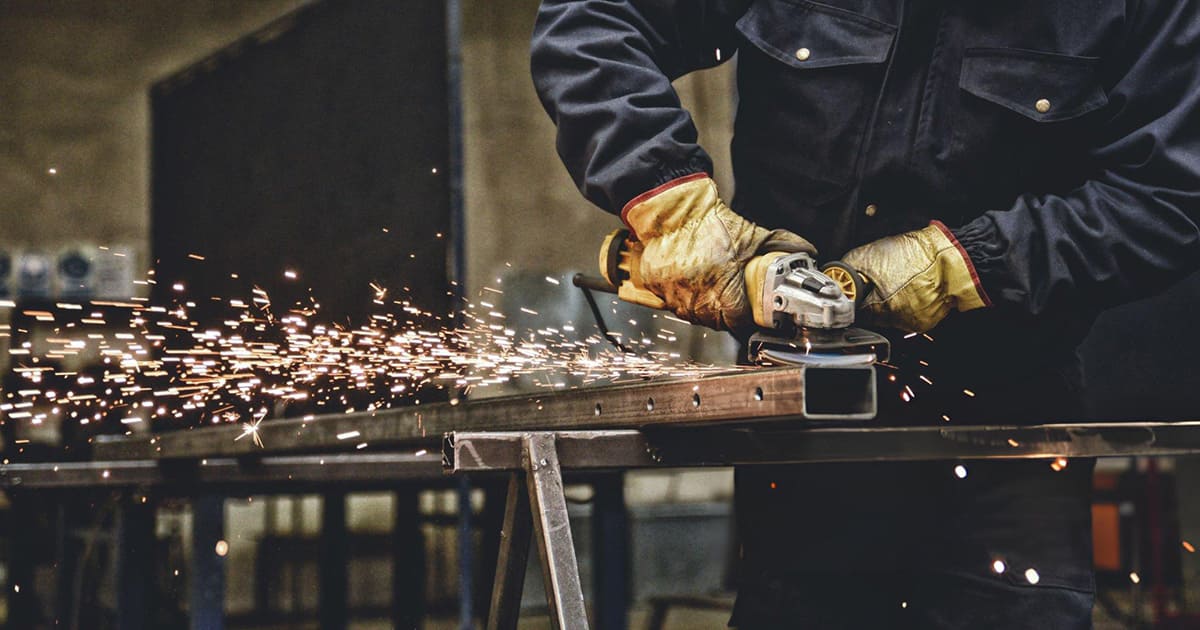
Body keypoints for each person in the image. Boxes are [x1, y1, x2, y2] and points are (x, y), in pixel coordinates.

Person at [531, 1, 1200, 627]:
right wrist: (676, 208)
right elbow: (591, 22)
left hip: (1010, 430)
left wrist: (964, 264)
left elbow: (1171, 194)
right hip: (800, 424)